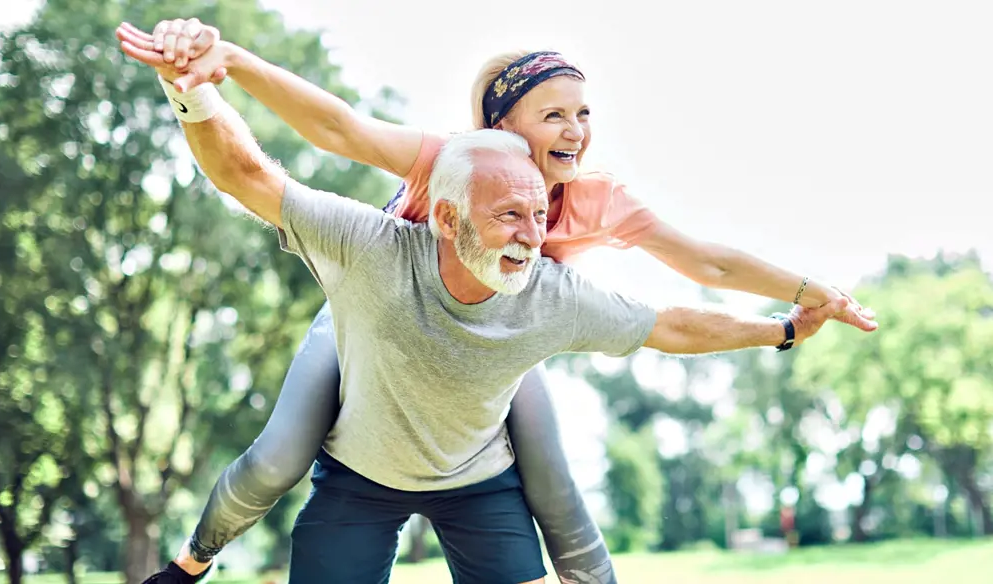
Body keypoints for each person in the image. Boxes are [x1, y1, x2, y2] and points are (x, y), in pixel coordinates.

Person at [117, 19, 877, 584]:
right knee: (278, 457)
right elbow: (333, 129)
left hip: (504, 332)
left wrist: (803, 305)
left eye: (584, 113)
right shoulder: (448, 163)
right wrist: (227, 67)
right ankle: (190, 563)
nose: (576, 131)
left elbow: (700, 266)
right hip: (377, 319)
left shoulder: (591, 199)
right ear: (499, 125)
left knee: (555, 489)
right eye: (554, 114)